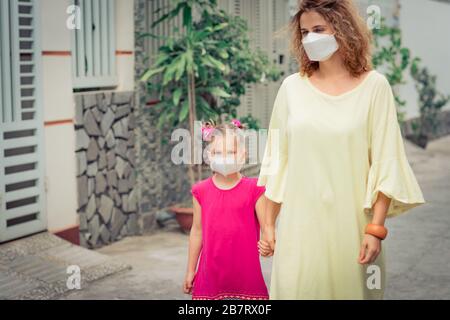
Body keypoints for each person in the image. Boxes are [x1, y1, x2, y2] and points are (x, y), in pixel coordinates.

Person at [258, 0, 425, 299]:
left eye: (319, 29)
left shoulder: (375, 87)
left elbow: (386, 162)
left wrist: (376, 230)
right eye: (304, 31)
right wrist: (268, 224)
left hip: (352, 230)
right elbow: (275, 161)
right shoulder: (291, 88)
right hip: (299, 229)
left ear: (342, 29)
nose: (311, 38)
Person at [183, 119, 272, 300]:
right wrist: (191, 270)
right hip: (209, 278)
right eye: (217, 152)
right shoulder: (200, 191)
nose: (224, 158)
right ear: (208, 155)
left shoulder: (255, 189)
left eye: (231, 152)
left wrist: (268, 244)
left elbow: (267, 228)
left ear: (243, 154)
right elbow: (197, 231)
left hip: (247, 278)